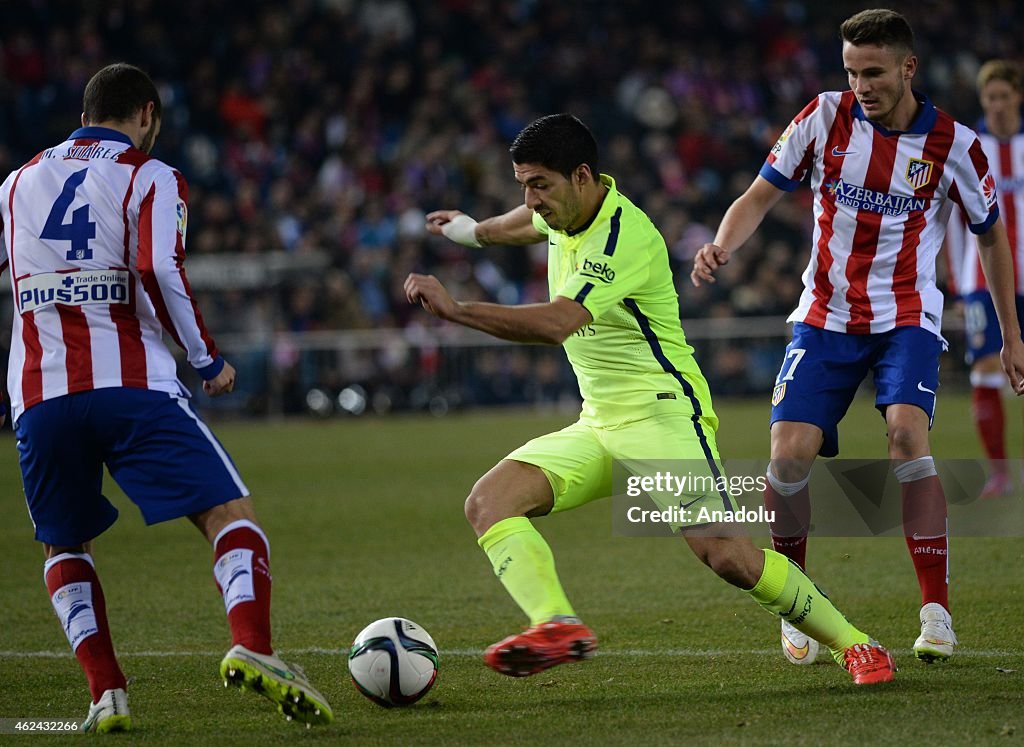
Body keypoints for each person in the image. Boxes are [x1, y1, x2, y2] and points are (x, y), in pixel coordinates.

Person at [409, 112, 895, 686]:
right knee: (488, 502)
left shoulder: (622, 237)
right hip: (599, 423)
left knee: (727, 557)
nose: (531, 198)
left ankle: (857, 645)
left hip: (665, 416)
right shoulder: (563, 212)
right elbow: (523, 224)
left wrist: (458, 310)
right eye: (524, 183)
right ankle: (556, 623)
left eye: (539, 183)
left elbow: (557, 323)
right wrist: (469, 230)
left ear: (582, 176)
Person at [0, 63, 332, 732]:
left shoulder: (13, 184)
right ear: (147, 114)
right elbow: (156, 265)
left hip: (39, 393)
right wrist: (206, 358)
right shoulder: (151, 176)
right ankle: (255, 647)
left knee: (64, 544)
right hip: (130, 386)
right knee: (228, 512)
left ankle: (107, 693)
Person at [691, 9, 1024, 667]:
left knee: (907, 435)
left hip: (906, 317)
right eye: (851, 71)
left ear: (908, 67)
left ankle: (936, 611)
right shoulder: (822, 117)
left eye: (872, 72)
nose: (861, 84)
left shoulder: (955, 144)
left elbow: (990, 235)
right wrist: (721, 244)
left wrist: (1012, 333)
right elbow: (759, 194)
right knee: (787, 456)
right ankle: (796, 602)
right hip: (824, 317)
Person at [944, 60, 1024, 499]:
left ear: (1017, 96)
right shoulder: (969, 147)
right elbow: (956, 222)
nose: (996, 105)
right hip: (981, 280)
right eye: (989, 98)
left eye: (1003, 96)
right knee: (986, 370)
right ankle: (999, 474)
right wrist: (957, 284)